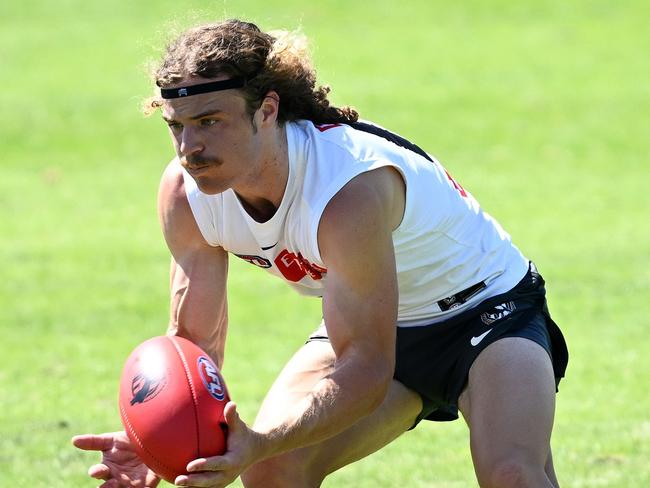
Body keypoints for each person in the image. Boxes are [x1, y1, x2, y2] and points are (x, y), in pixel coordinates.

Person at [72, 19, 569, 488]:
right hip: (374, 321)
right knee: (270, 473)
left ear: (266, 110)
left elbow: (369, 368)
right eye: (176, 126)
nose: (189, 147)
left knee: (513, 475)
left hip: (489, 313)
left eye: (209, 121)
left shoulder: (346, 190)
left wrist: (262, 439)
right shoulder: (187, 195)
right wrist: (160, 437)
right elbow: (194, 345)